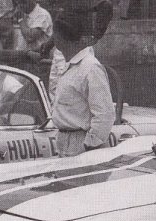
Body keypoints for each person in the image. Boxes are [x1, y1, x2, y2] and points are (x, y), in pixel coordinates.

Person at [51, 4, 115, 157]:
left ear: (62, 38)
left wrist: (89, 146)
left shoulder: (90, 67)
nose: (53, 39)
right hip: (63, 140)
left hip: (82, 143)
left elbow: (104, 114)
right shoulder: (68, 65)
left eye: (55, 34)